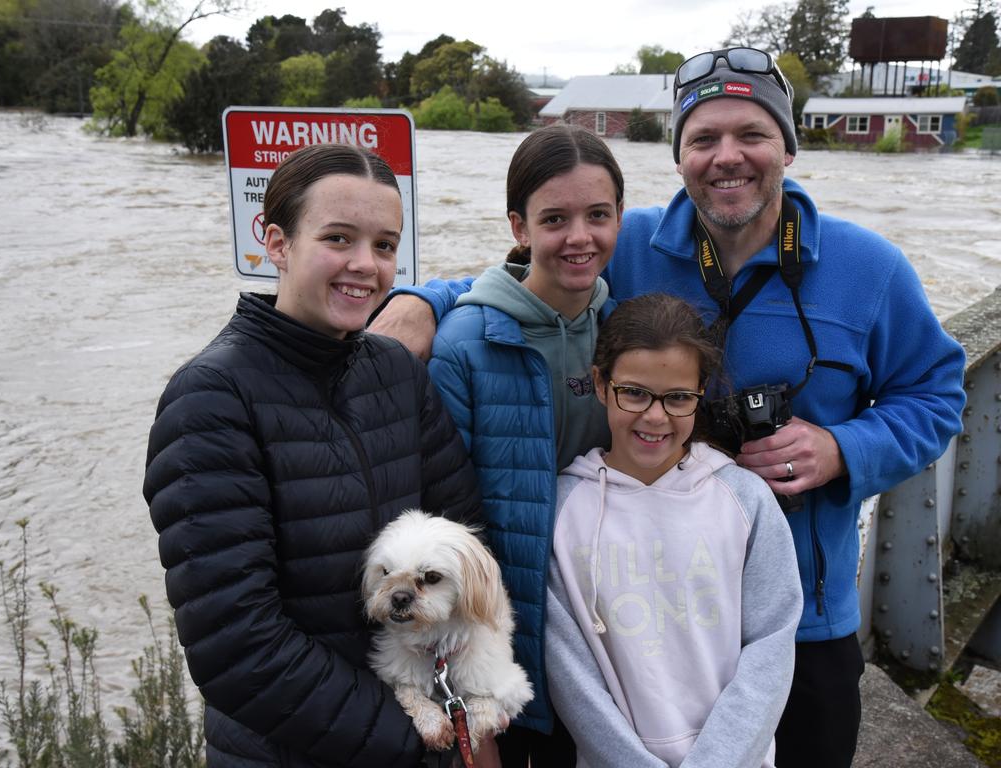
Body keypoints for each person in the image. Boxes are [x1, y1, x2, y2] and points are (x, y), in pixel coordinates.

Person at [369, 46, 967, 768]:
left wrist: (847, 449)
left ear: (788, 146)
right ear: (678, 156)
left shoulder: (869, 269)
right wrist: (417, 302)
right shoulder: (627, 242)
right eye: (703, 139)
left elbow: (936, 394)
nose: (727, 158)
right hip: (631, 624)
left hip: (798, 621)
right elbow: (526, 276)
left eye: (751, 134)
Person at [143, 143, 481, 768]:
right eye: (338, 238)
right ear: (275, 242)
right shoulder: (211, 399)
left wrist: (468, 703)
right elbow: (236, 647)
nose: (365, 265)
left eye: (384, 245)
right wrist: (408, 737)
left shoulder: (397, 374)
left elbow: (464, 542)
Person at [426, 123, 624, 767]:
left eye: (598, 215)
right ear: (519, 226)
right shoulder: (464, 344)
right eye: (554, 218)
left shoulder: (624, 334)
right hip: (506, 634)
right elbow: (444, 525)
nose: (579, 237)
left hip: (604, 625)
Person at [548, 292, 802, 767]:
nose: (655, 416)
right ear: (601, 384)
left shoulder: (745, 499)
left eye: (678, 398)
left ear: (700, 393)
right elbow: (570, 673)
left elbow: (771, 644)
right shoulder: (562, 511)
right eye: (635, 393)